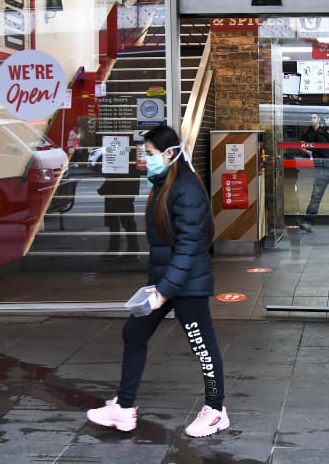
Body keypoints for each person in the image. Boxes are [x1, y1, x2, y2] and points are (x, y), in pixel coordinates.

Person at [86, 125, 227, 437]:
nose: (145, 159)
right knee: (133, 333)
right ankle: (124, 408)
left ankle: (216, 410)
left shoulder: (186, 189)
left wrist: (164, 291)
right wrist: (159, 286)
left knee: (203, 348)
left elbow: (190, 246)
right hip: (166, 282)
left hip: (186, 285)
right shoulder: (164, 183)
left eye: (149, 154)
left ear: (169, 153)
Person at [301, 112, 329, 232]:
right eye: (327, 117)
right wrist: (319, 166)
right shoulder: (319, 134)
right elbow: (315, 153)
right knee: (316, 196)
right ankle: (308, 222)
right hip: (322, 170)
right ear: (324, 119)